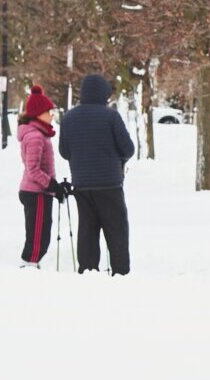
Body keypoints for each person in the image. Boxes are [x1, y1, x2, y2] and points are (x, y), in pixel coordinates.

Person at [58, 73, 136, 275]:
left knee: (87, 229)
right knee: (116, 229)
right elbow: (128, 149)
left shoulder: (69, 118)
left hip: (82, 184)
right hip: (110, 183)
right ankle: (120, 272)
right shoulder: (110, 116)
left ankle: (88, 270)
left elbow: (64, 151)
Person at [16, 86, 59, 267]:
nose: (52, 115)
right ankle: (29, 266)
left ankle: (32, 265)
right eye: (48, 112)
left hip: (41, 191)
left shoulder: (39, 134)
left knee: (42, 234)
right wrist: (51, 185)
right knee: (37, 237)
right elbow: (33, 169)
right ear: (38, 114)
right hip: (36, 193)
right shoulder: (35, 136)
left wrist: (54, 187)